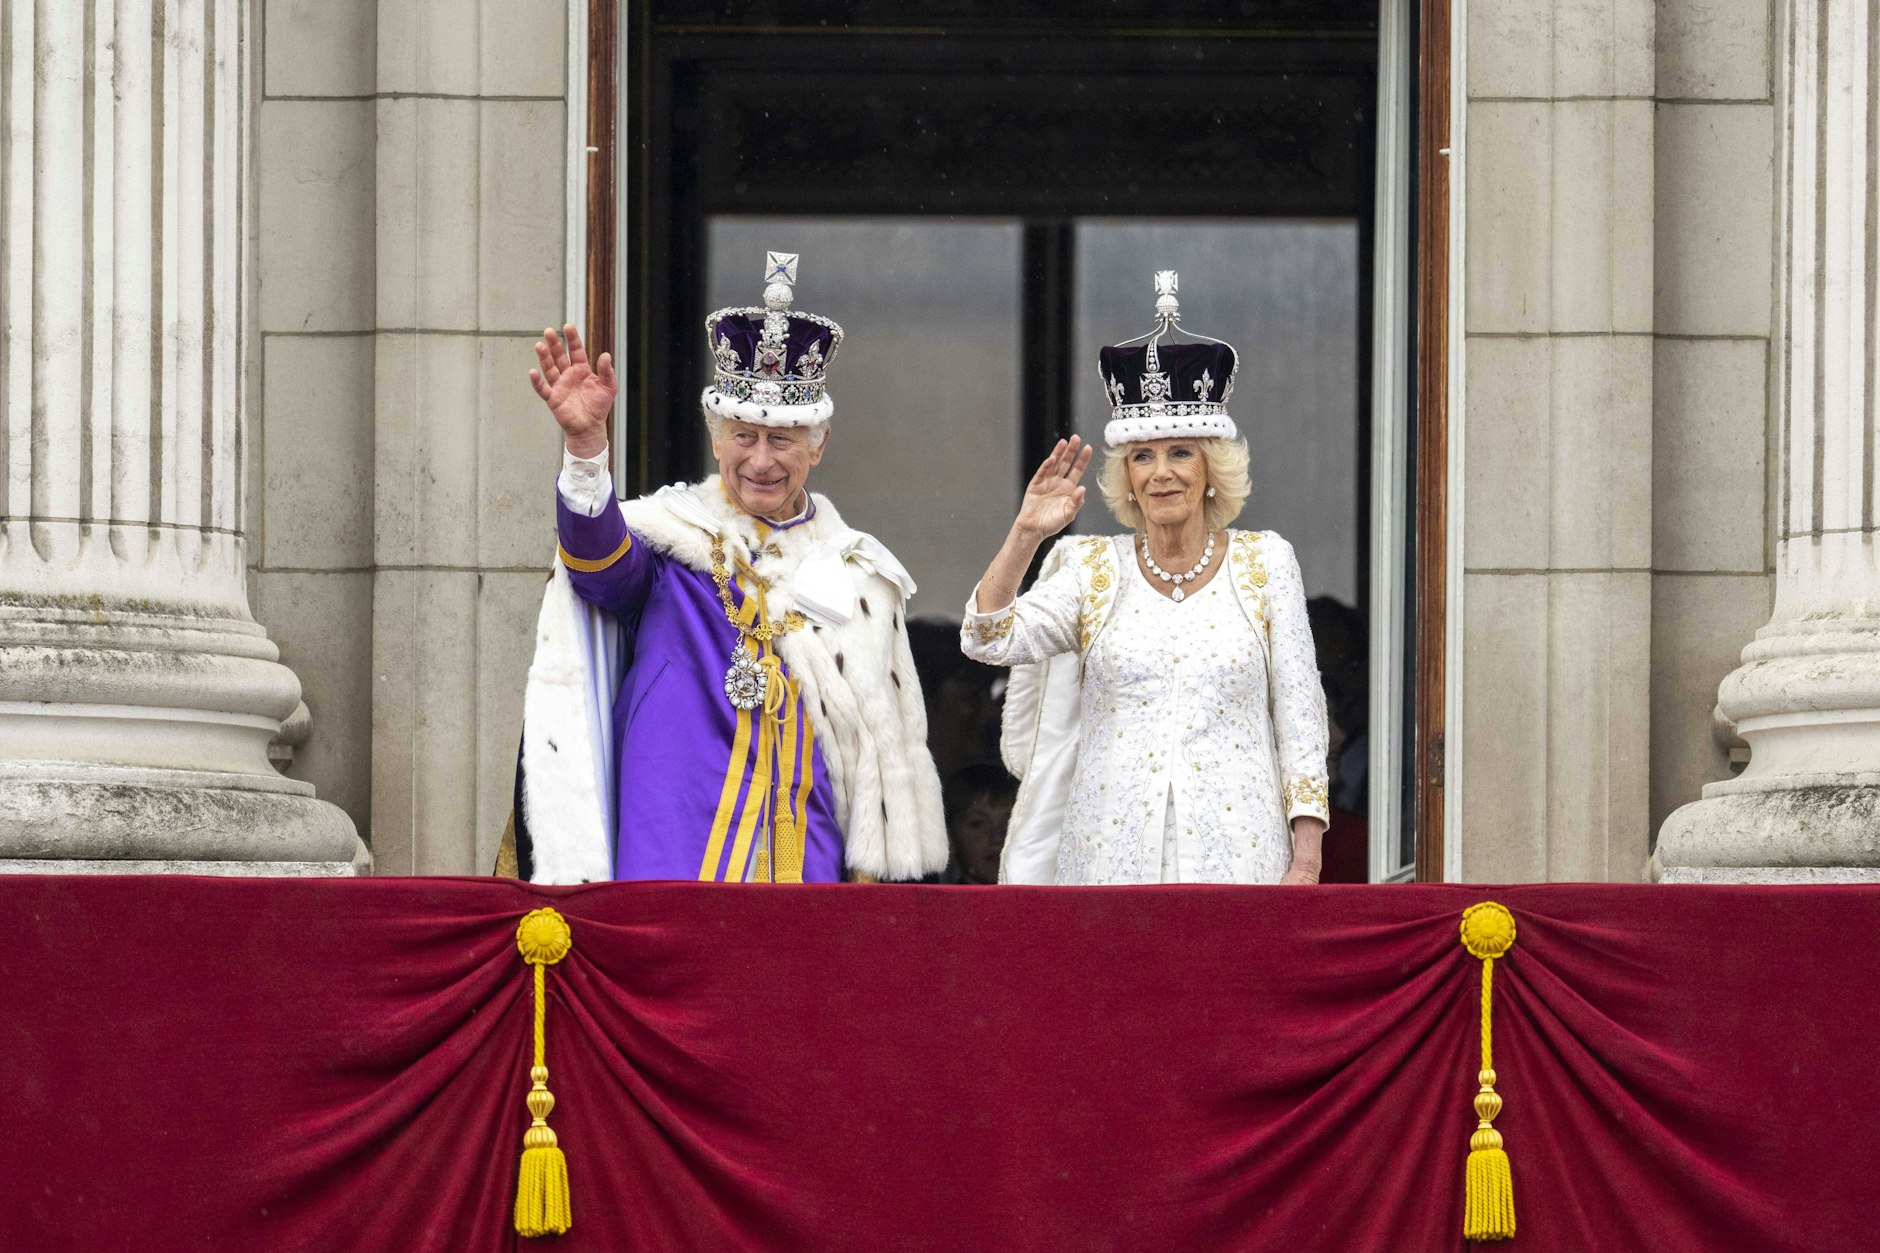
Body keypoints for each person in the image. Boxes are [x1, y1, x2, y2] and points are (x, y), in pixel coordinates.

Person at [505, 250, 947, 884]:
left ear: (818, 446)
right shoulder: (672, 542)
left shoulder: (860, 576)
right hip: (675, 842)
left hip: (807, 852)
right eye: (743, 436)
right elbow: (599, 566)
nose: (761, 460)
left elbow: (876, 754)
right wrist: (585, 451)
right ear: (715, 439)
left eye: (782, 439)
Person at [960, 271, 1329, 886]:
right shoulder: (1090, 570)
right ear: (1126, 475)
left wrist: (1306, 859)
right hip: (1108, 862)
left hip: (1240, 861)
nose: (1162, 473)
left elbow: (1300, 718)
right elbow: (988, 638)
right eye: (1142, 456)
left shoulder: (1266, 564)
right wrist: (1025, 533)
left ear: (1212, 467)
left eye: (1180, 452)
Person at [941, 763, 1018, 886]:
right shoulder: (940, 904)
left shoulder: (1046, 901)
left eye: (1010, 821)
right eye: (977, 824)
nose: (997, 837)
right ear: (950, 838)